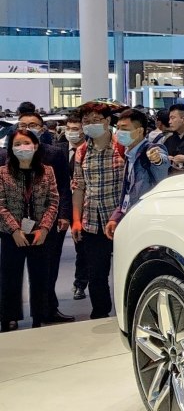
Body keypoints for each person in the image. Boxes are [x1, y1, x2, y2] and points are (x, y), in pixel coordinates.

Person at [16, 111, 74, 324]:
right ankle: (9, 314)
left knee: (48, 268)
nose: (27, 128)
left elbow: (63, 186)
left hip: (49, 219)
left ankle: (47, 310)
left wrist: (64, 214)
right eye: (23, 125)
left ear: (41, 128)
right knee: (13, 270)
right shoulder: (6, 154)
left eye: (32, 125)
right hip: (15, 222)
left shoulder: (54, 154)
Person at [0, 128, 59, 331]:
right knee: (10, 277)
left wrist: (44, 228)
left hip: (39, 233)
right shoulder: (3, 173)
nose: (22, 147)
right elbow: (1, 204)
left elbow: (53, 201)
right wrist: (14, 230)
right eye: (17, 144)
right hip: (11, 234)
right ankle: (9, 317)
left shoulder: (47, 171)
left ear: (35, 145)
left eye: (26, 143)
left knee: (40, 276)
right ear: (11, 148)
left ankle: (39, 316)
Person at [71, 104, 125, 320]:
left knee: (125, 270)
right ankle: (100, 313)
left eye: (95, 120)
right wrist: (76, 221)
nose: (90, 124)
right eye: (86, 121)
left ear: (107, 121)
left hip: (121, 221)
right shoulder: (82, 151)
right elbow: (78, 187)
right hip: (92, 221)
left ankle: (128, 315)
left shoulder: (122, 146)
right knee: (96, 274)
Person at [105, 109, 169, 240]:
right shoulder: (129, 155)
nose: (119, 132)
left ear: (140, 131)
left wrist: (157, 159)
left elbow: (162, 161)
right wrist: (116, 216)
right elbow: (127, 191)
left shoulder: (151, 149)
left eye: (124, 128)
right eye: (118, 128)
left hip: (150, 220)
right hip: (132, 218)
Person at [63, 112, 90, 301]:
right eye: (69, 129)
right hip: (63, 205)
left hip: (84, 205)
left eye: (76, 129)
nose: (71, 132)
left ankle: (80, 283)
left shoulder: (89, 150)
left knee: (83, 248)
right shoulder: (58, 150)